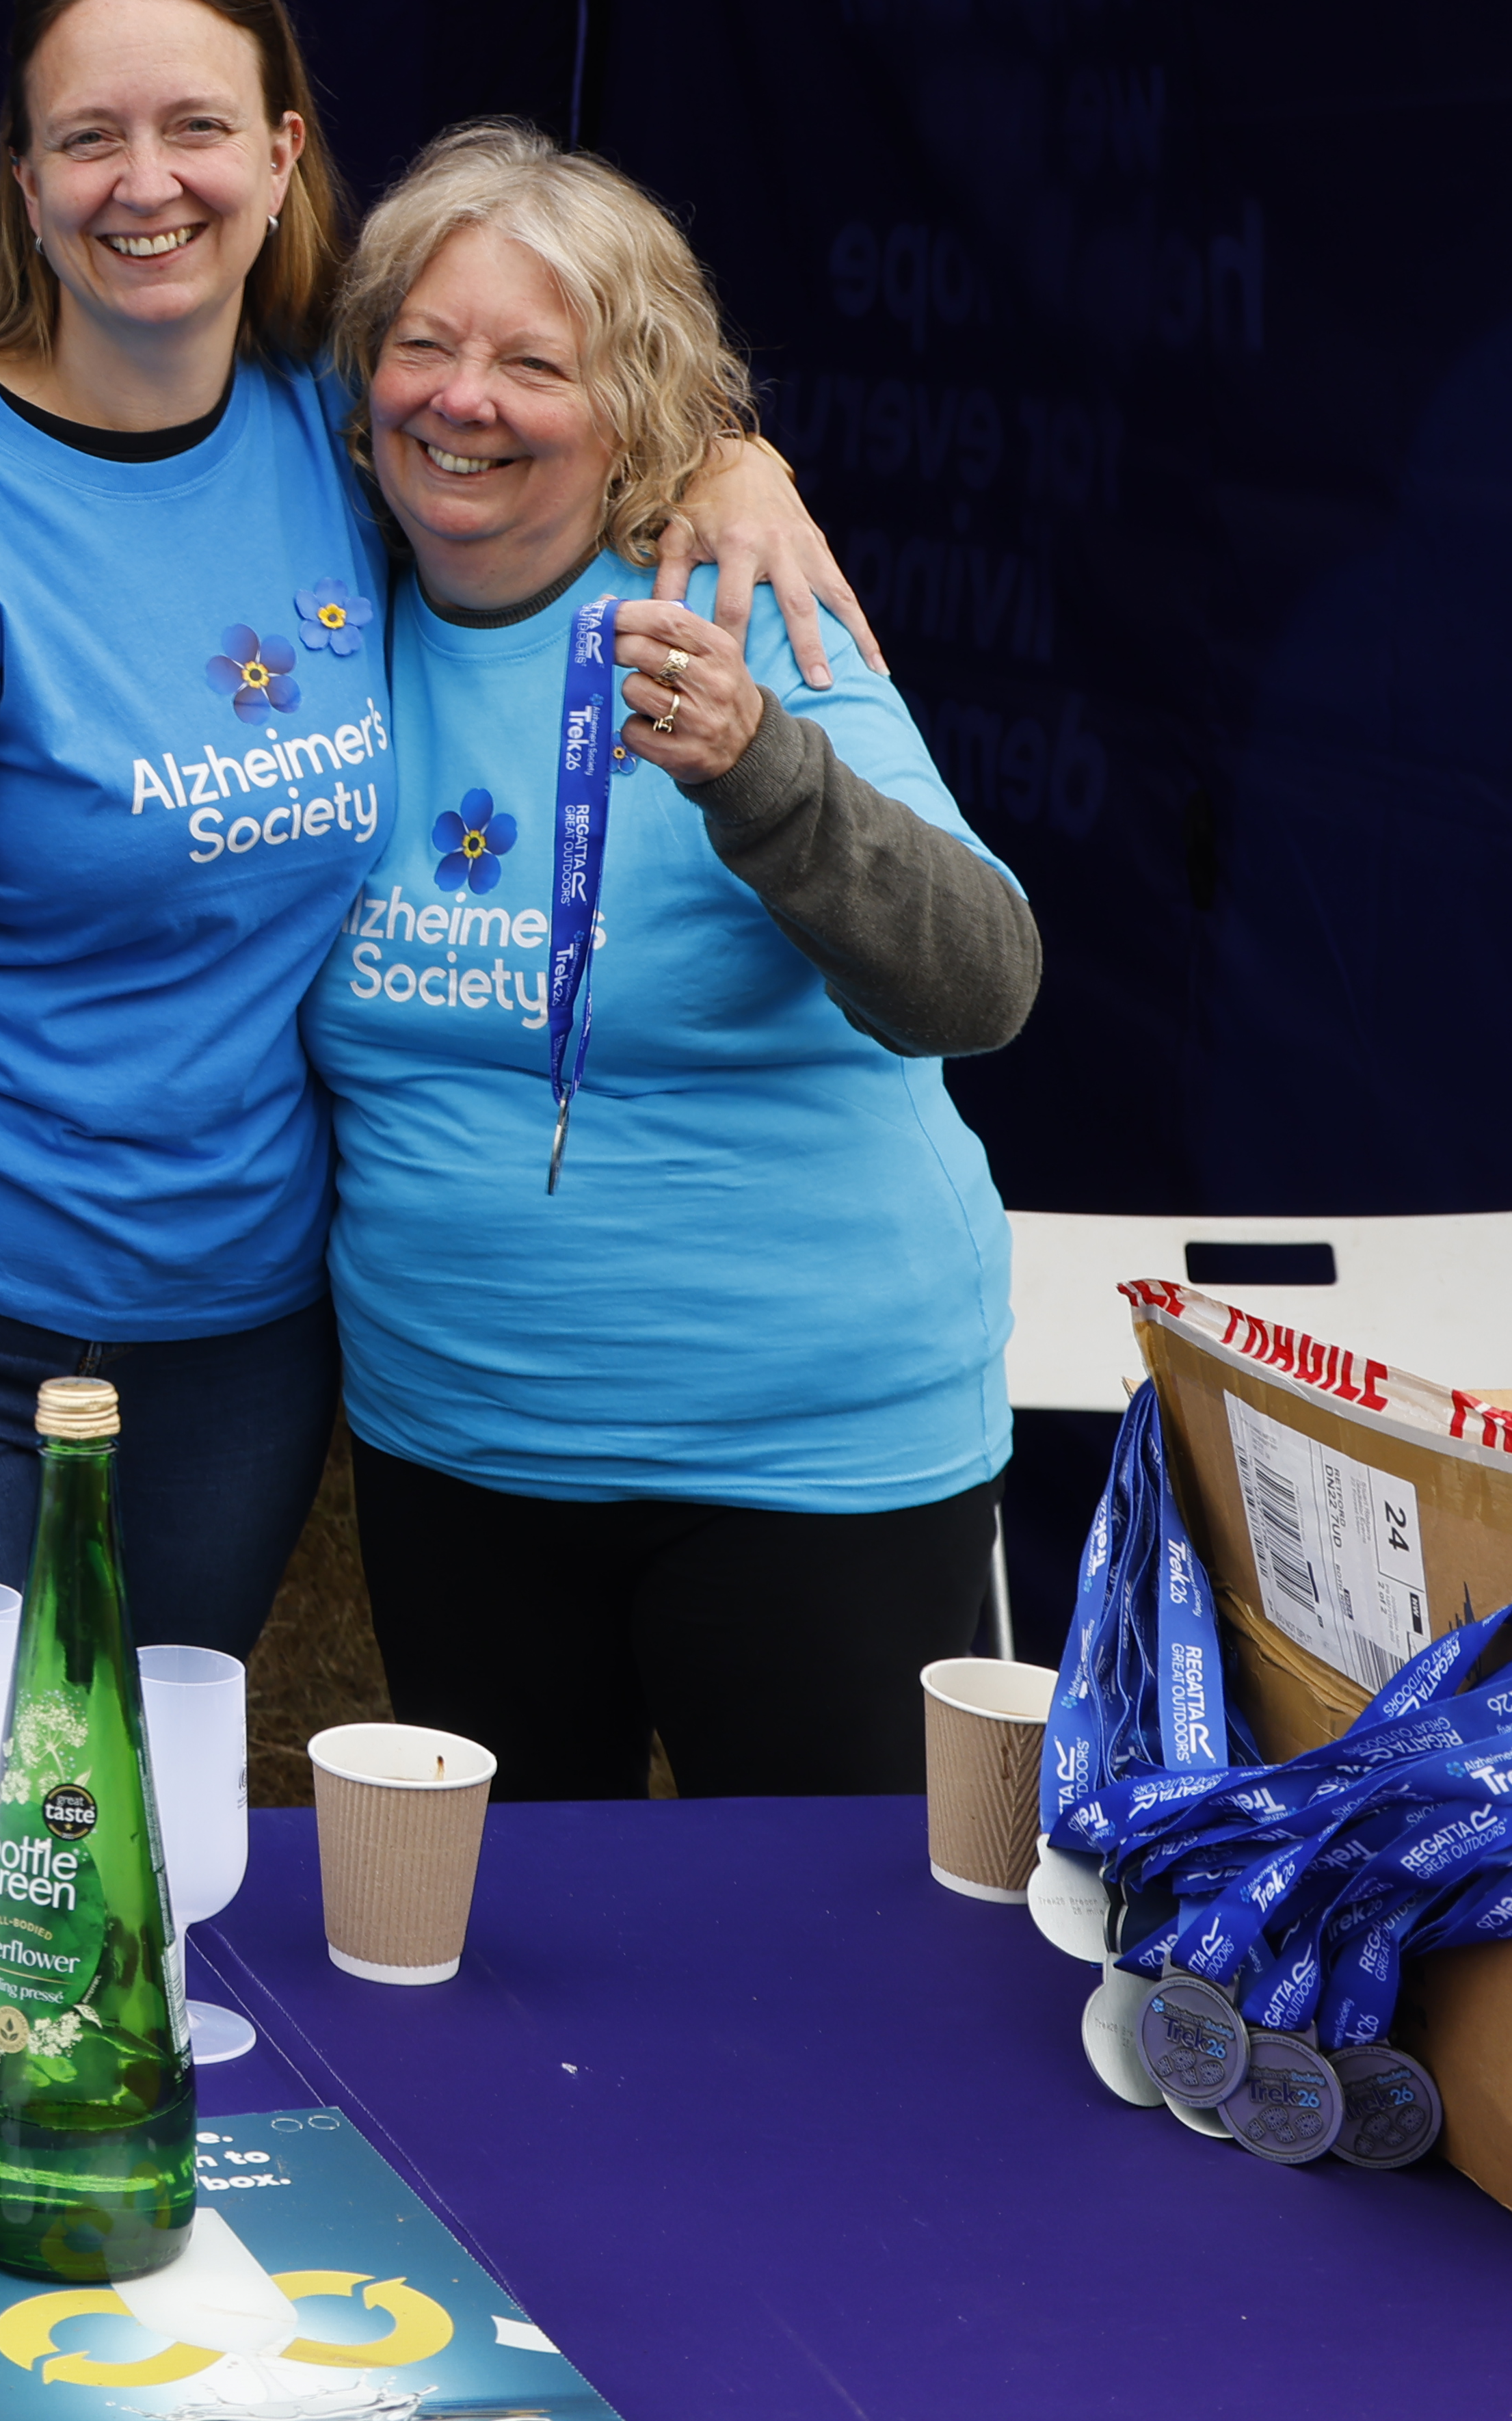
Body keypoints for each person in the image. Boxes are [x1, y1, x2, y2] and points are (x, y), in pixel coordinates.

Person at [0, 0, 871, 1651]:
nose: (144, 181)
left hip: (231, 1324)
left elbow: (547, 385)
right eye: (87, 137)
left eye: (193, 127)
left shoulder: (348, 430)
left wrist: (732, 453)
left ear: (280, 155)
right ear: (23, 183)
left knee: (154, 1810)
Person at [298, 120, 1036, 1804]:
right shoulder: (324, 610)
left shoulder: (740, 599)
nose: (461, 397)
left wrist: (762, 770)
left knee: (827, 1984)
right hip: (460, 1450)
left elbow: (978, 982)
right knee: (501, 1979)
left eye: (531, 361)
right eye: (423, 343)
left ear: (635, 404)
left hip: (812, 1462)